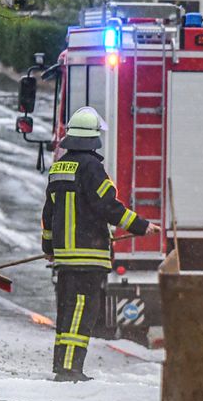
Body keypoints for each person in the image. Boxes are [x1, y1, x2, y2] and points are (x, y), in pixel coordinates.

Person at [41, 106, 152, 380]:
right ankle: (70, 370)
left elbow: (48, 215)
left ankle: (63, 365)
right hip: (88, 257)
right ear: (92, 138)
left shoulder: (58, 168)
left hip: (66, 259)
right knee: (81, 314)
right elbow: (108, 207)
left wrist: (49, 250)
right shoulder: (92, 168)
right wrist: (141, 226)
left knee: (67, 314)